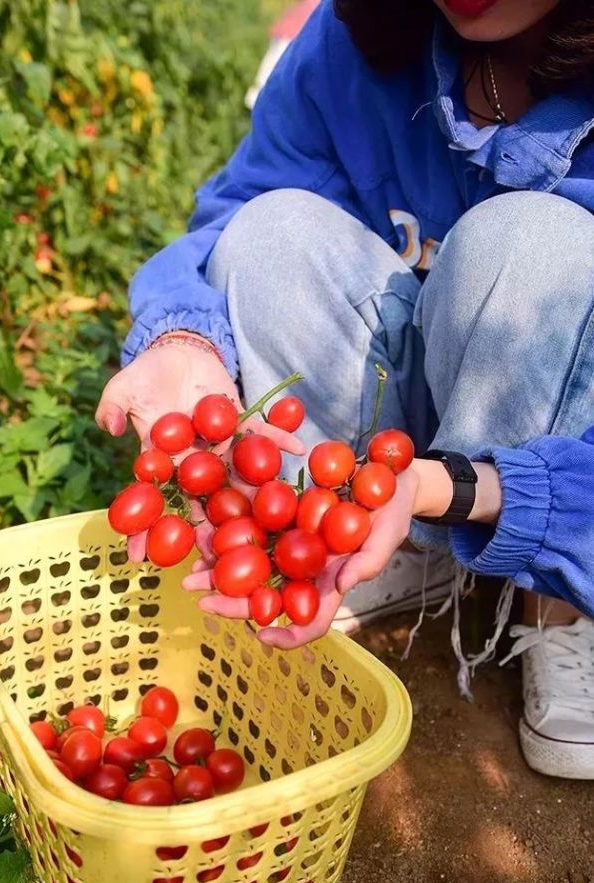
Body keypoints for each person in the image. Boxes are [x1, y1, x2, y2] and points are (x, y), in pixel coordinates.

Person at [96, 0, 594, 778]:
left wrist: (481, 488)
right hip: (414, 413)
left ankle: (558, 601)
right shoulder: (352, 41)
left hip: (568, 451)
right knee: (269, 229)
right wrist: (186, 337)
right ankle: (382, 532)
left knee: (530, 249)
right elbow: (238, 205)